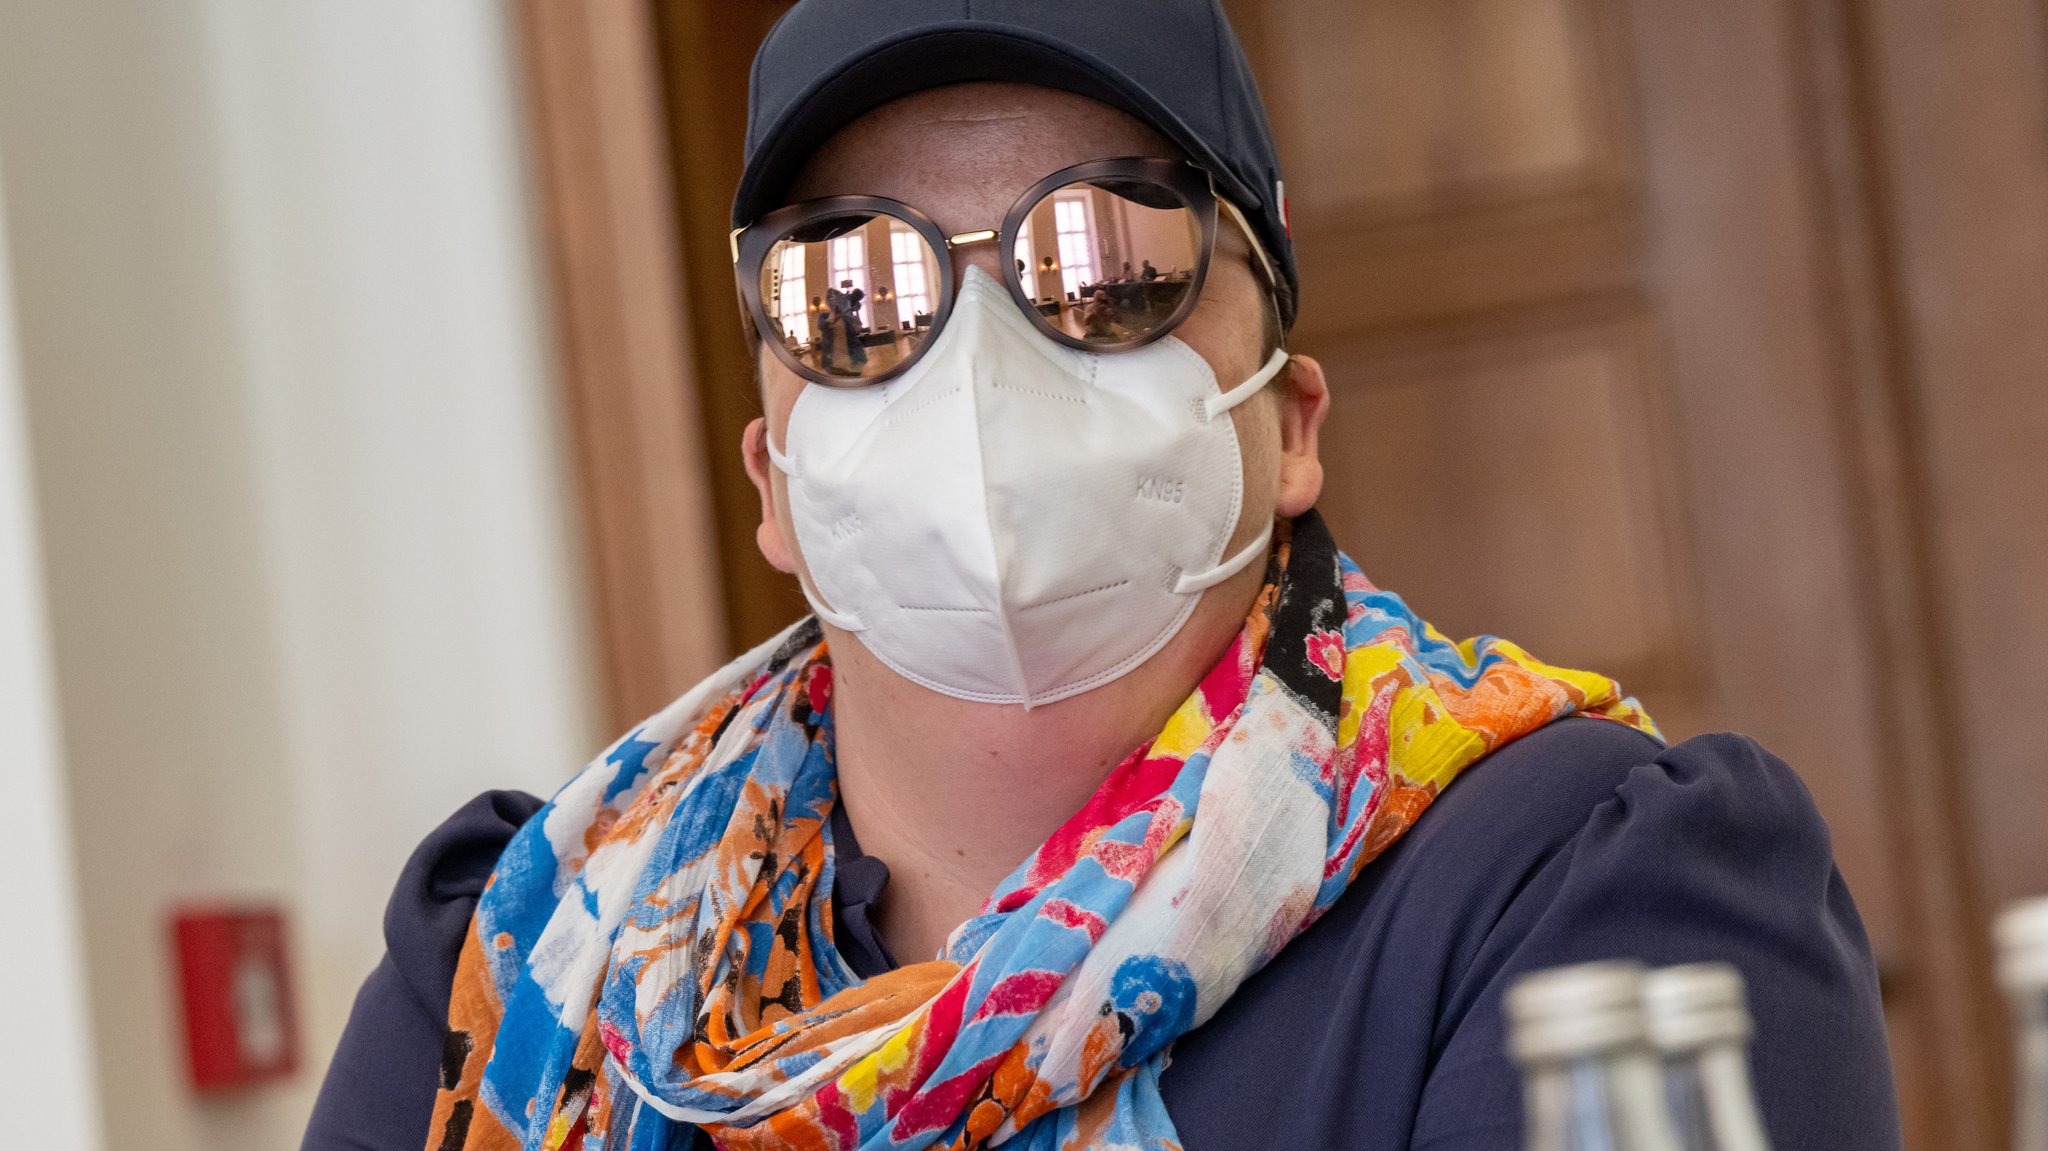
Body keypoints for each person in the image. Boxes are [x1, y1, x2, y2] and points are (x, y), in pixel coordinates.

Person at [304, 3, 1902, 1150]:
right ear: (771, 485)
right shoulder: (523, 976)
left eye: (1106, 264)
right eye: (854, 291)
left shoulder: (1578, 897)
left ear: (1286, 423)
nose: (975, 372)